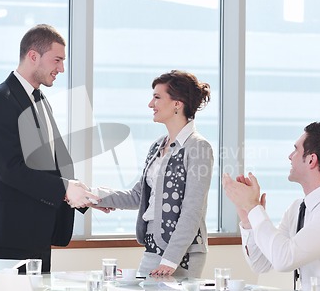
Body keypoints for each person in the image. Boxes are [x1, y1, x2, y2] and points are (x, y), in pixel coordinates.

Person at [0, 24, 100, 279]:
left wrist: (81, 194)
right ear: (33, 56)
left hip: (38, 232)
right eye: (57, 60)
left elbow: (49, 164)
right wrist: (65, 188)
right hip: (10, 234)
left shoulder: (41, 100)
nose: (61, 69)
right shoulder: (0, 100)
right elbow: (11, 170)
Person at [71, 70, 214, 278]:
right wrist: (91, 195)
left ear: (177, 103)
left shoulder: (199, 147)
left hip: (182, 252)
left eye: (157, 97)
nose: (150, 104)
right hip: (153, 245)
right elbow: (138, 196)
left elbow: (193, 210)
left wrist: (171, 259)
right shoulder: (158, 145)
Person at [222, 122, 320, 291]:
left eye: (295, 150)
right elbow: (260, 264)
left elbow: (284, 259)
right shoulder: (298, 208)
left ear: (311, 160)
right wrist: (248, 218)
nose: (289, 156)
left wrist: (254, 207)